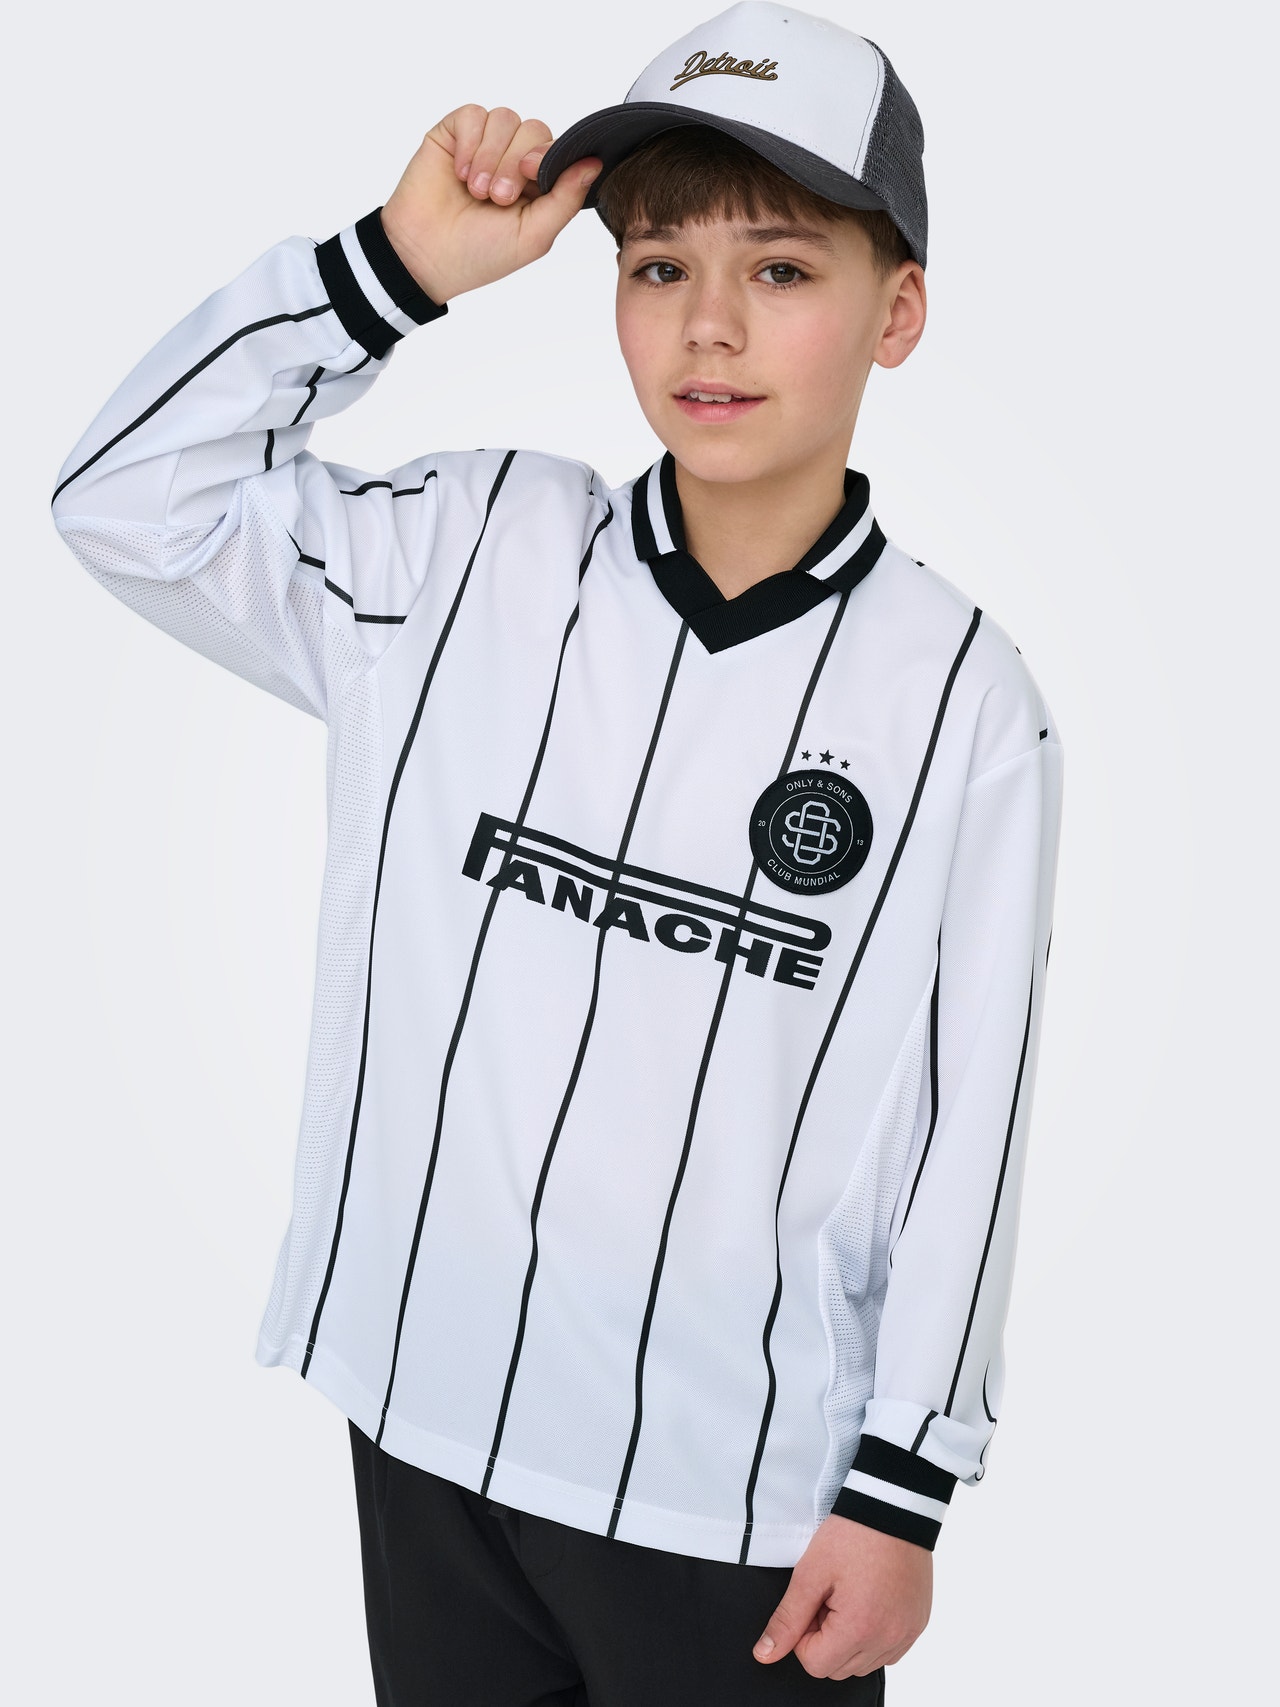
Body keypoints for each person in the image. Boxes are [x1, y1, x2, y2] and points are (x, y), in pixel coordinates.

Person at [49, 3, 1063, 1701]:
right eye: (658, 268)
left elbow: (973, 1122)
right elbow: (124, 499)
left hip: (733, 1492)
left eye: (782, 270)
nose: (710, 325)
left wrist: (907, 1487)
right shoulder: (461, 553)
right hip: (424, 1417)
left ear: (897, 312)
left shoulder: (963, 700)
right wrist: (392, 271)